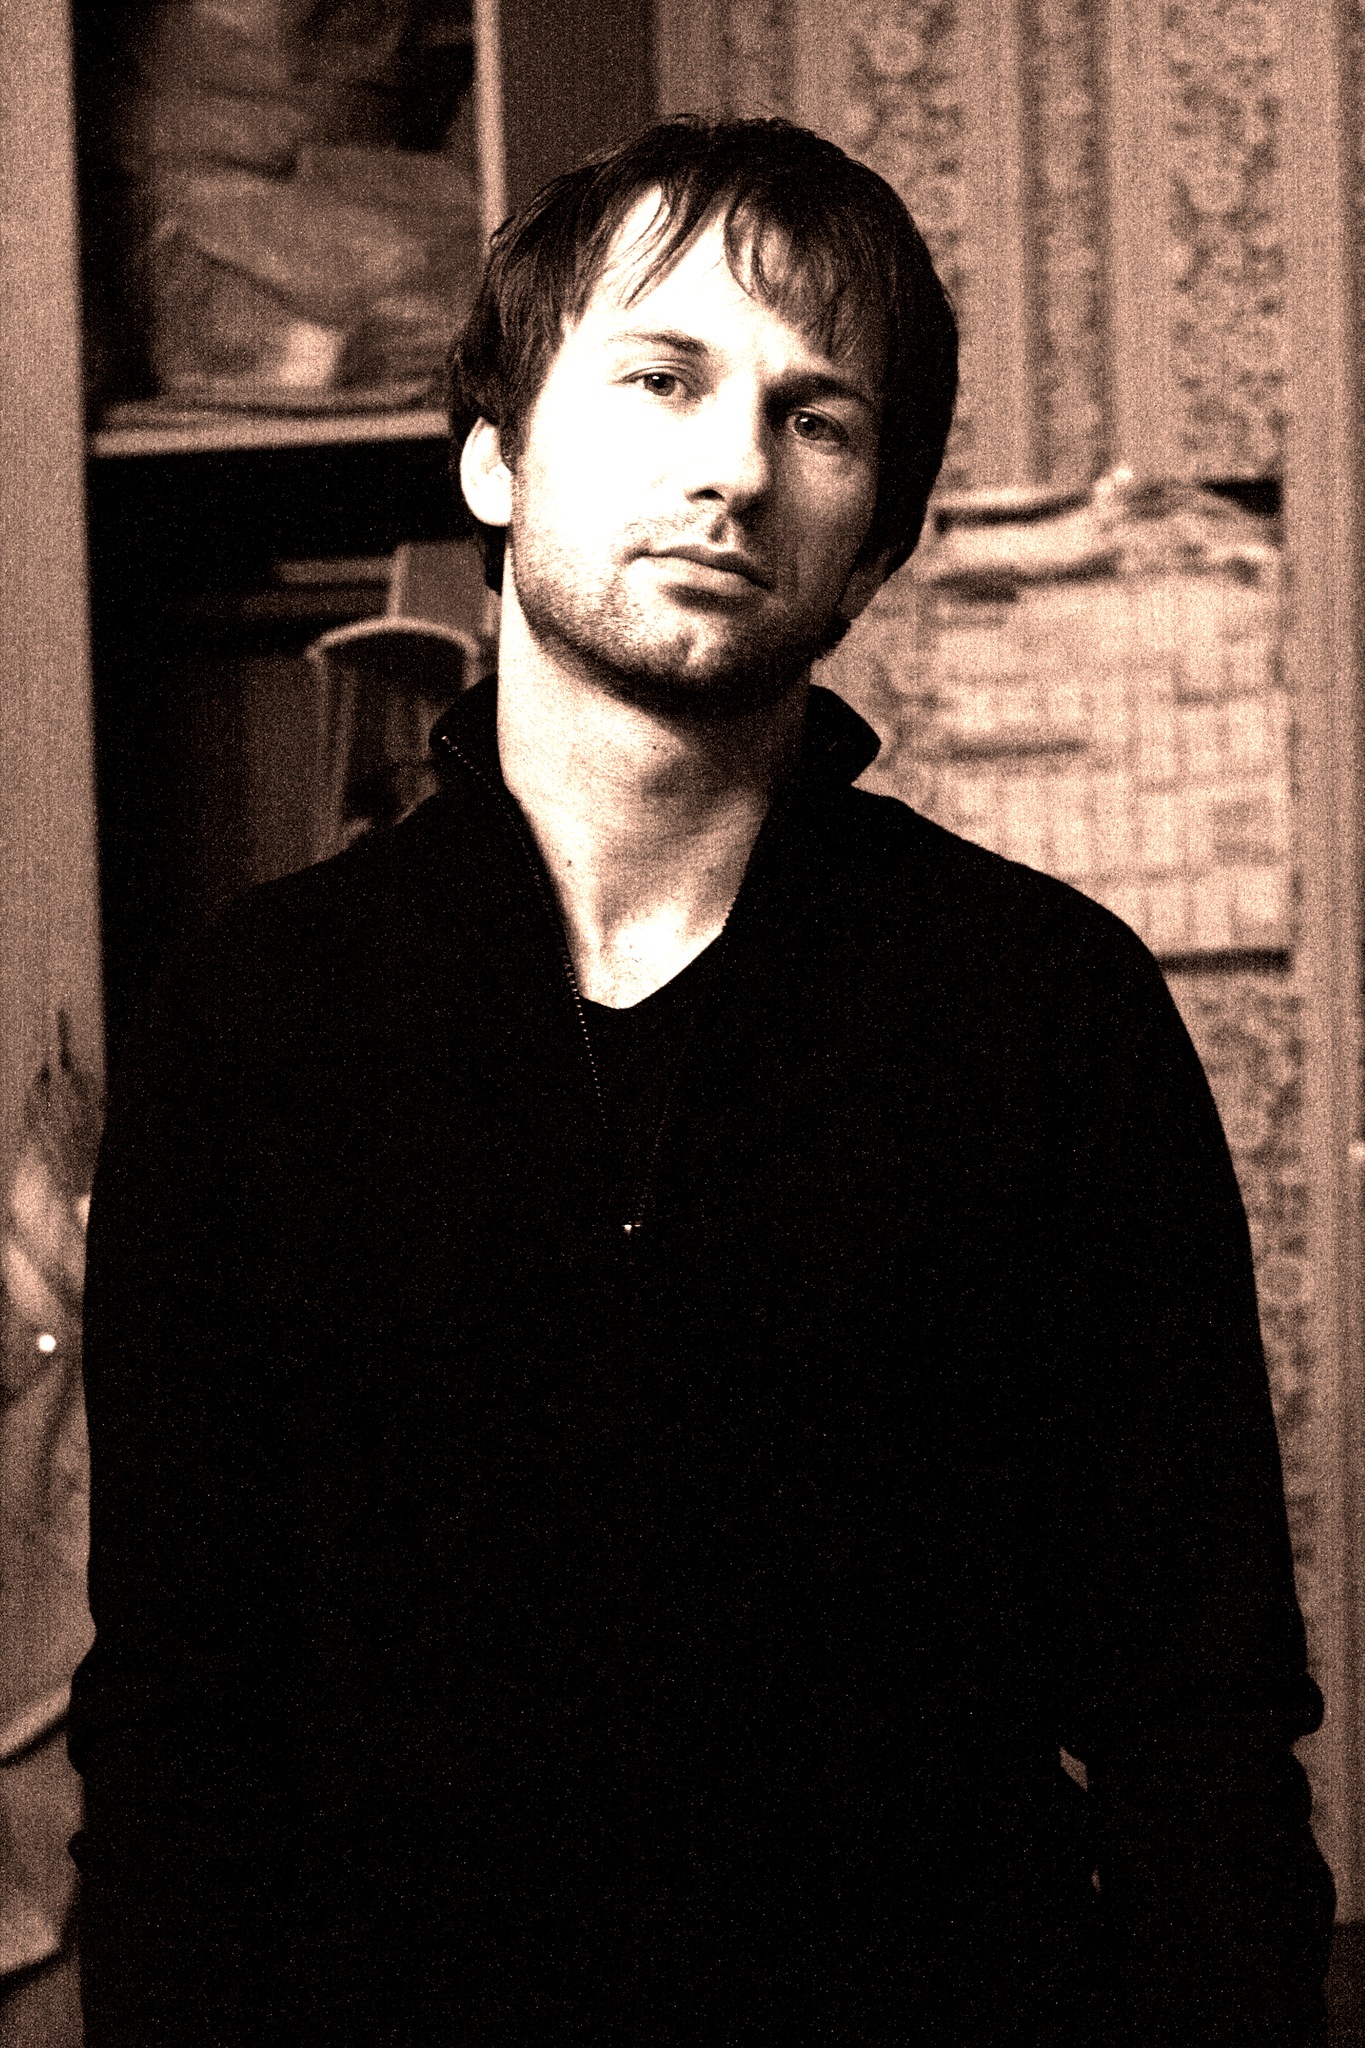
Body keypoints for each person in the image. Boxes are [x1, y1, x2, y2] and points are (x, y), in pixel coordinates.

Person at [70, 116, 1334, 2045]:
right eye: (660, 379)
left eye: (816, 420)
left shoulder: (1047, 1014)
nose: (733, 466)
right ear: (493, 452)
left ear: (874, 544)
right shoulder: (252, 1026)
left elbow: (1202, 1728)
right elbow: (178, 1732)